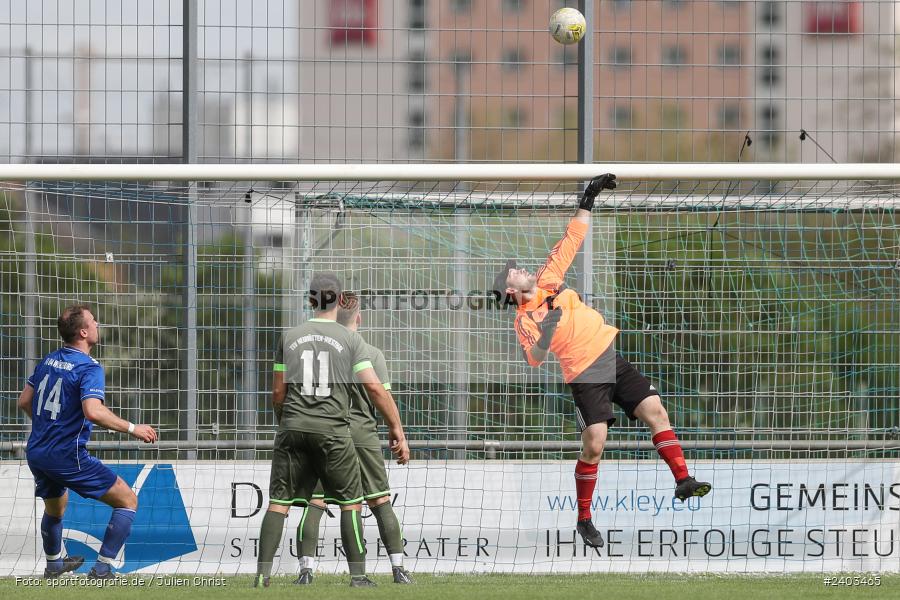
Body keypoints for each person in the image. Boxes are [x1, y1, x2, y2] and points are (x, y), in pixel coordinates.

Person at [492, 174, 711, 549]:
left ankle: (683, 480)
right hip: (584, 376)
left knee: (655, 411)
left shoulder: (548, 280)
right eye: (514, 271)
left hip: (610, 357)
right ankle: (584, 518)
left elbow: (570, 241)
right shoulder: (524, 320)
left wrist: (588, 197)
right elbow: (534, 359)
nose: (522, 269)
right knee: (595, 444)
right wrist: (547, 333)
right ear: (510, 290)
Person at [254, 273, 409, 588]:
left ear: (310, 300)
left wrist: (286, 421)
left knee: (280, 503)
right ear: (339, 301)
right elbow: (376, 389)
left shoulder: (288, 337)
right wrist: (396, 427)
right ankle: (359, 576)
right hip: (334, 431)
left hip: (292, 428)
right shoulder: (350, 341)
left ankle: (262, 577)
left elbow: (277, 393)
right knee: (352, 502)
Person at [16, 304, 158, 578]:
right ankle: (103, 568)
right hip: (68, 454)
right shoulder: (89, 367)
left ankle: (55, 564)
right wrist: (133, 427)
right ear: (83, 332)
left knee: (56, 506)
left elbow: (24, 401)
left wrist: (48, 426)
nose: (97, 325)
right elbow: (93, 411)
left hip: (37, 451)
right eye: (94, 321)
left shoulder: (48, 359)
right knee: (127, 500)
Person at [294, 291, 412, 586]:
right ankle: (398, 570)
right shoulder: (371, 353)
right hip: (361, 435)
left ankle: (306, 571)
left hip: (325, 434)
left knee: (316, 502)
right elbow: (381, 394)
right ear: (358, 317)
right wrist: (396, 428)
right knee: (379, 501)